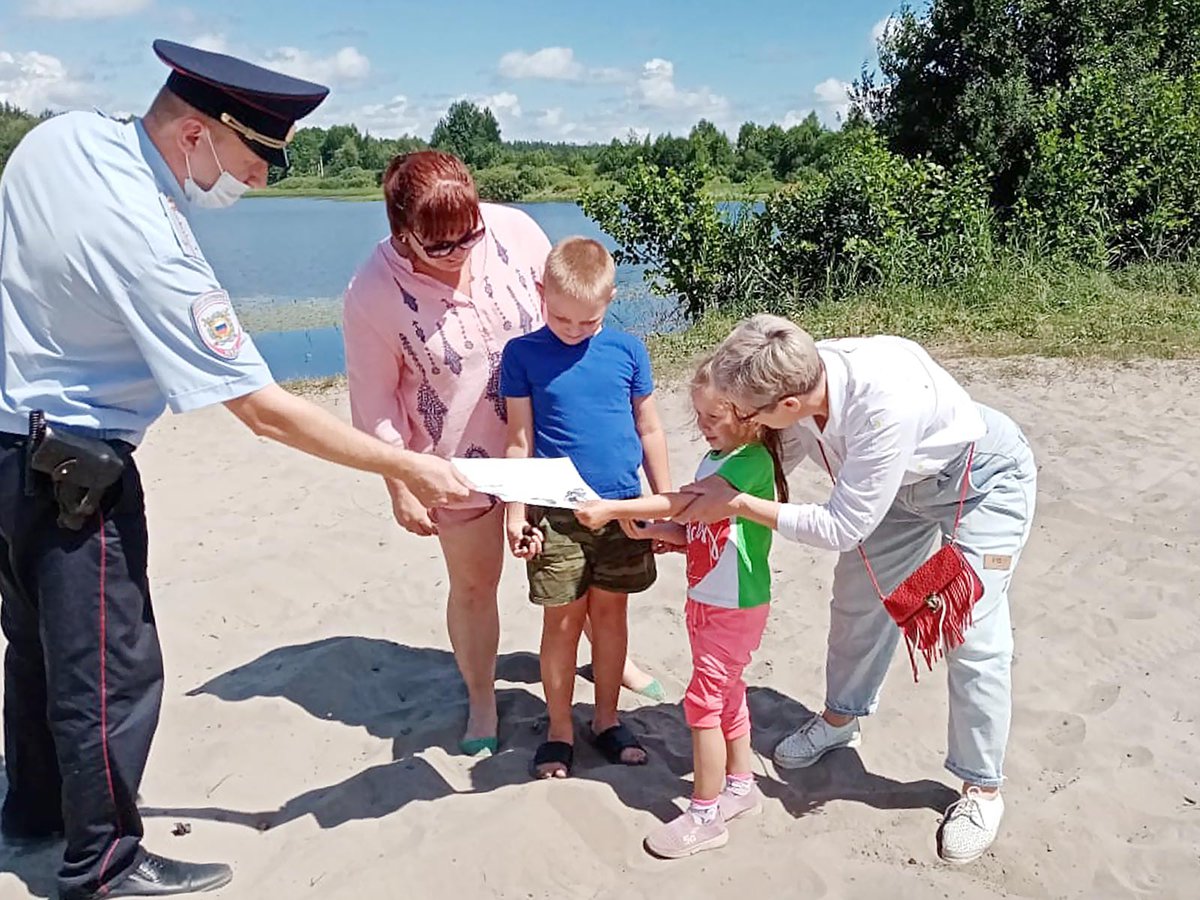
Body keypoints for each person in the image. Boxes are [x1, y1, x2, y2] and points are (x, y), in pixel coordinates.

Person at [0, 40, 471, 900]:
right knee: (109, 670)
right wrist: (405, 464)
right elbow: (261, 410)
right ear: (194, 136)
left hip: (7, 443)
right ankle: (99, 862)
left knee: (31, 647)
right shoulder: (148, 236)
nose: (257, 183)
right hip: (74, 466)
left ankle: (32, 811)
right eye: (257, 161)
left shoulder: (57, 141)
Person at [675, 315, 1038, 864]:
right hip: (890, 490)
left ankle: (981, 788)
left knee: (965, 627)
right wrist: (712, 494)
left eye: (751, 416)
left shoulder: (882, 407)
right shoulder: (793, 374)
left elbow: (841, 526)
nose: (746, 424)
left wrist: (742, 504)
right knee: (856, 603)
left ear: (789, 404)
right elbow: (782, 455)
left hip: (977, 480)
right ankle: (841, 722)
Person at [342, 153, 661, 758]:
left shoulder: (514, 230)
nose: (460, 250)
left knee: (586, 568)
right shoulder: (370, 293)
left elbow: (571, 298)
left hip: (555, 451)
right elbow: (374, 398)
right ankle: (483, 697)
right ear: (400, 229)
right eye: (440, 246)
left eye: (470, 234)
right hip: (456, 461)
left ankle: (613, 664)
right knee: (473, 583)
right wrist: (399, 480)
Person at [573, 356, 787, 858]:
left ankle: (705, 814)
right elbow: (698, 527)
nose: (704, 427)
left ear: (750, 416)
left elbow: (685, 502)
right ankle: (741, 785)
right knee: (728, 693)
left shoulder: (750, 462)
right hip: (706, 600)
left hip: (737, 603)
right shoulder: (715, 458)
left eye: (715, 418)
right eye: (699, 417)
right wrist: (661, 534)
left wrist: (616, 508)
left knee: (702, 704)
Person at [500, 236, 671, 779]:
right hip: (556, 514)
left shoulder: (628, 351)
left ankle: (605, 718)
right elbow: (519, 440)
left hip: (623, 508)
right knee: (562, 624)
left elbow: (649, 427)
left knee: (611, 617)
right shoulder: (522, 354)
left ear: (610, 301)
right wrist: (514, 511)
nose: (573, 331)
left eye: (587, 322)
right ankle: (558, 729)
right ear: (540, 293)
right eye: (561, 318)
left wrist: (662, 504)